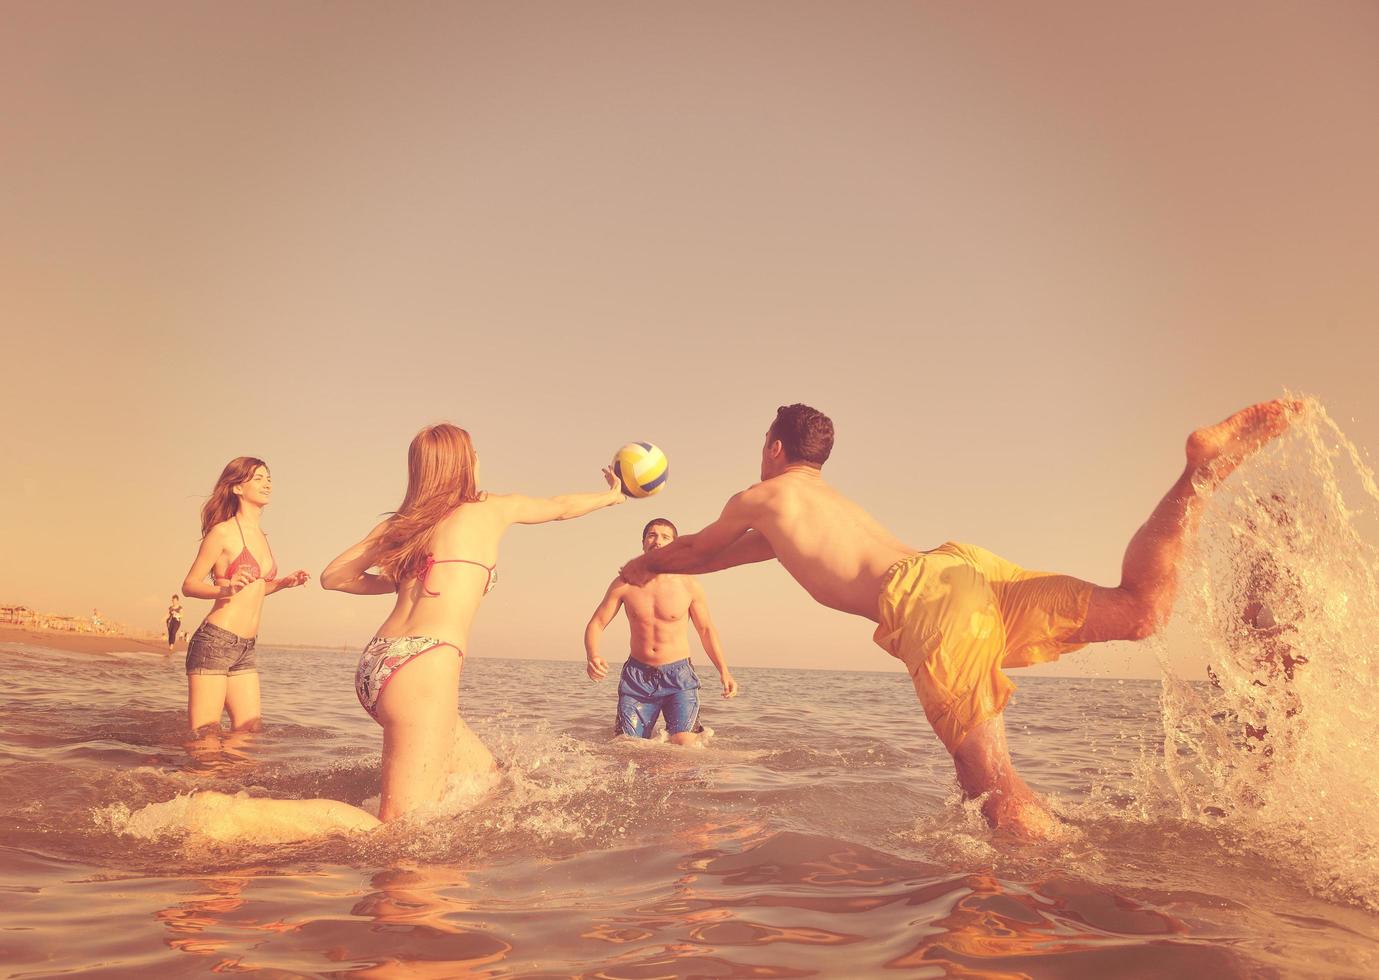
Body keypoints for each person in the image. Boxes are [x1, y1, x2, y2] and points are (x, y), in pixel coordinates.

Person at [619, 400, 1302, 837]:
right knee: (1139, 609)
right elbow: (722, 562)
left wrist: (640, 564)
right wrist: (669, 567)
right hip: (959, 569)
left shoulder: (759, 495)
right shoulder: (820, 507)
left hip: (930, 604)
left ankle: (1076, 916)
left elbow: (698, 548)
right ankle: (1198, 479)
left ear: (773, 448)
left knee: (995, 795)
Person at [321, 423, 628, 822]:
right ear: (465, 464)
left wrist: (401, 581)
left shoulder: (403, 524)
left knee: (490, 782)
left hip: (379, 663)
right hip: (423, 667)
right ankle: (229, 818)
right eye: (474, 453)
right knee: (400, 829)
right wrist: (610, 497)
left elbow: (334, 577)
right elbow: (561, 506)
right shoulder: (490, 508)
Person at [180, 458, 311, 733]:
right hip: (215, 641)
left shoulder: (261, 535)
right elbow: (190, 585)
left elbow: (255, 589)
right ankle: (174, 777)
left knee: (250, 730)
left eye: (269, 478)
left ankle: (228, 777)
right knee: (206, 734)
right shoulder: (223, 532)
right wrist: (224, 588)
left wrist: (285, 583)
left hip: (246, 646)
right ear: (238, 488)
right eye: (258, 478)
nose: (267, 483)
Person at [585, 518, 738, 744]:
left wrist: (724, 670)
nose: (658, 541)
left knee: (685, 745)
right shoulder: (624, 583)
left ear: (675, 545)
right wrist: (592, 655)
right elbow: (597, 622)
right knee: (628, 747)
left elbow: (706, 630)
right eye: (652, 535)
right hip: (637, 676)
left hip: (679, 676)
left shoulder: (689, 585)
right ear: (644, 543)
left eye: (666, 537)